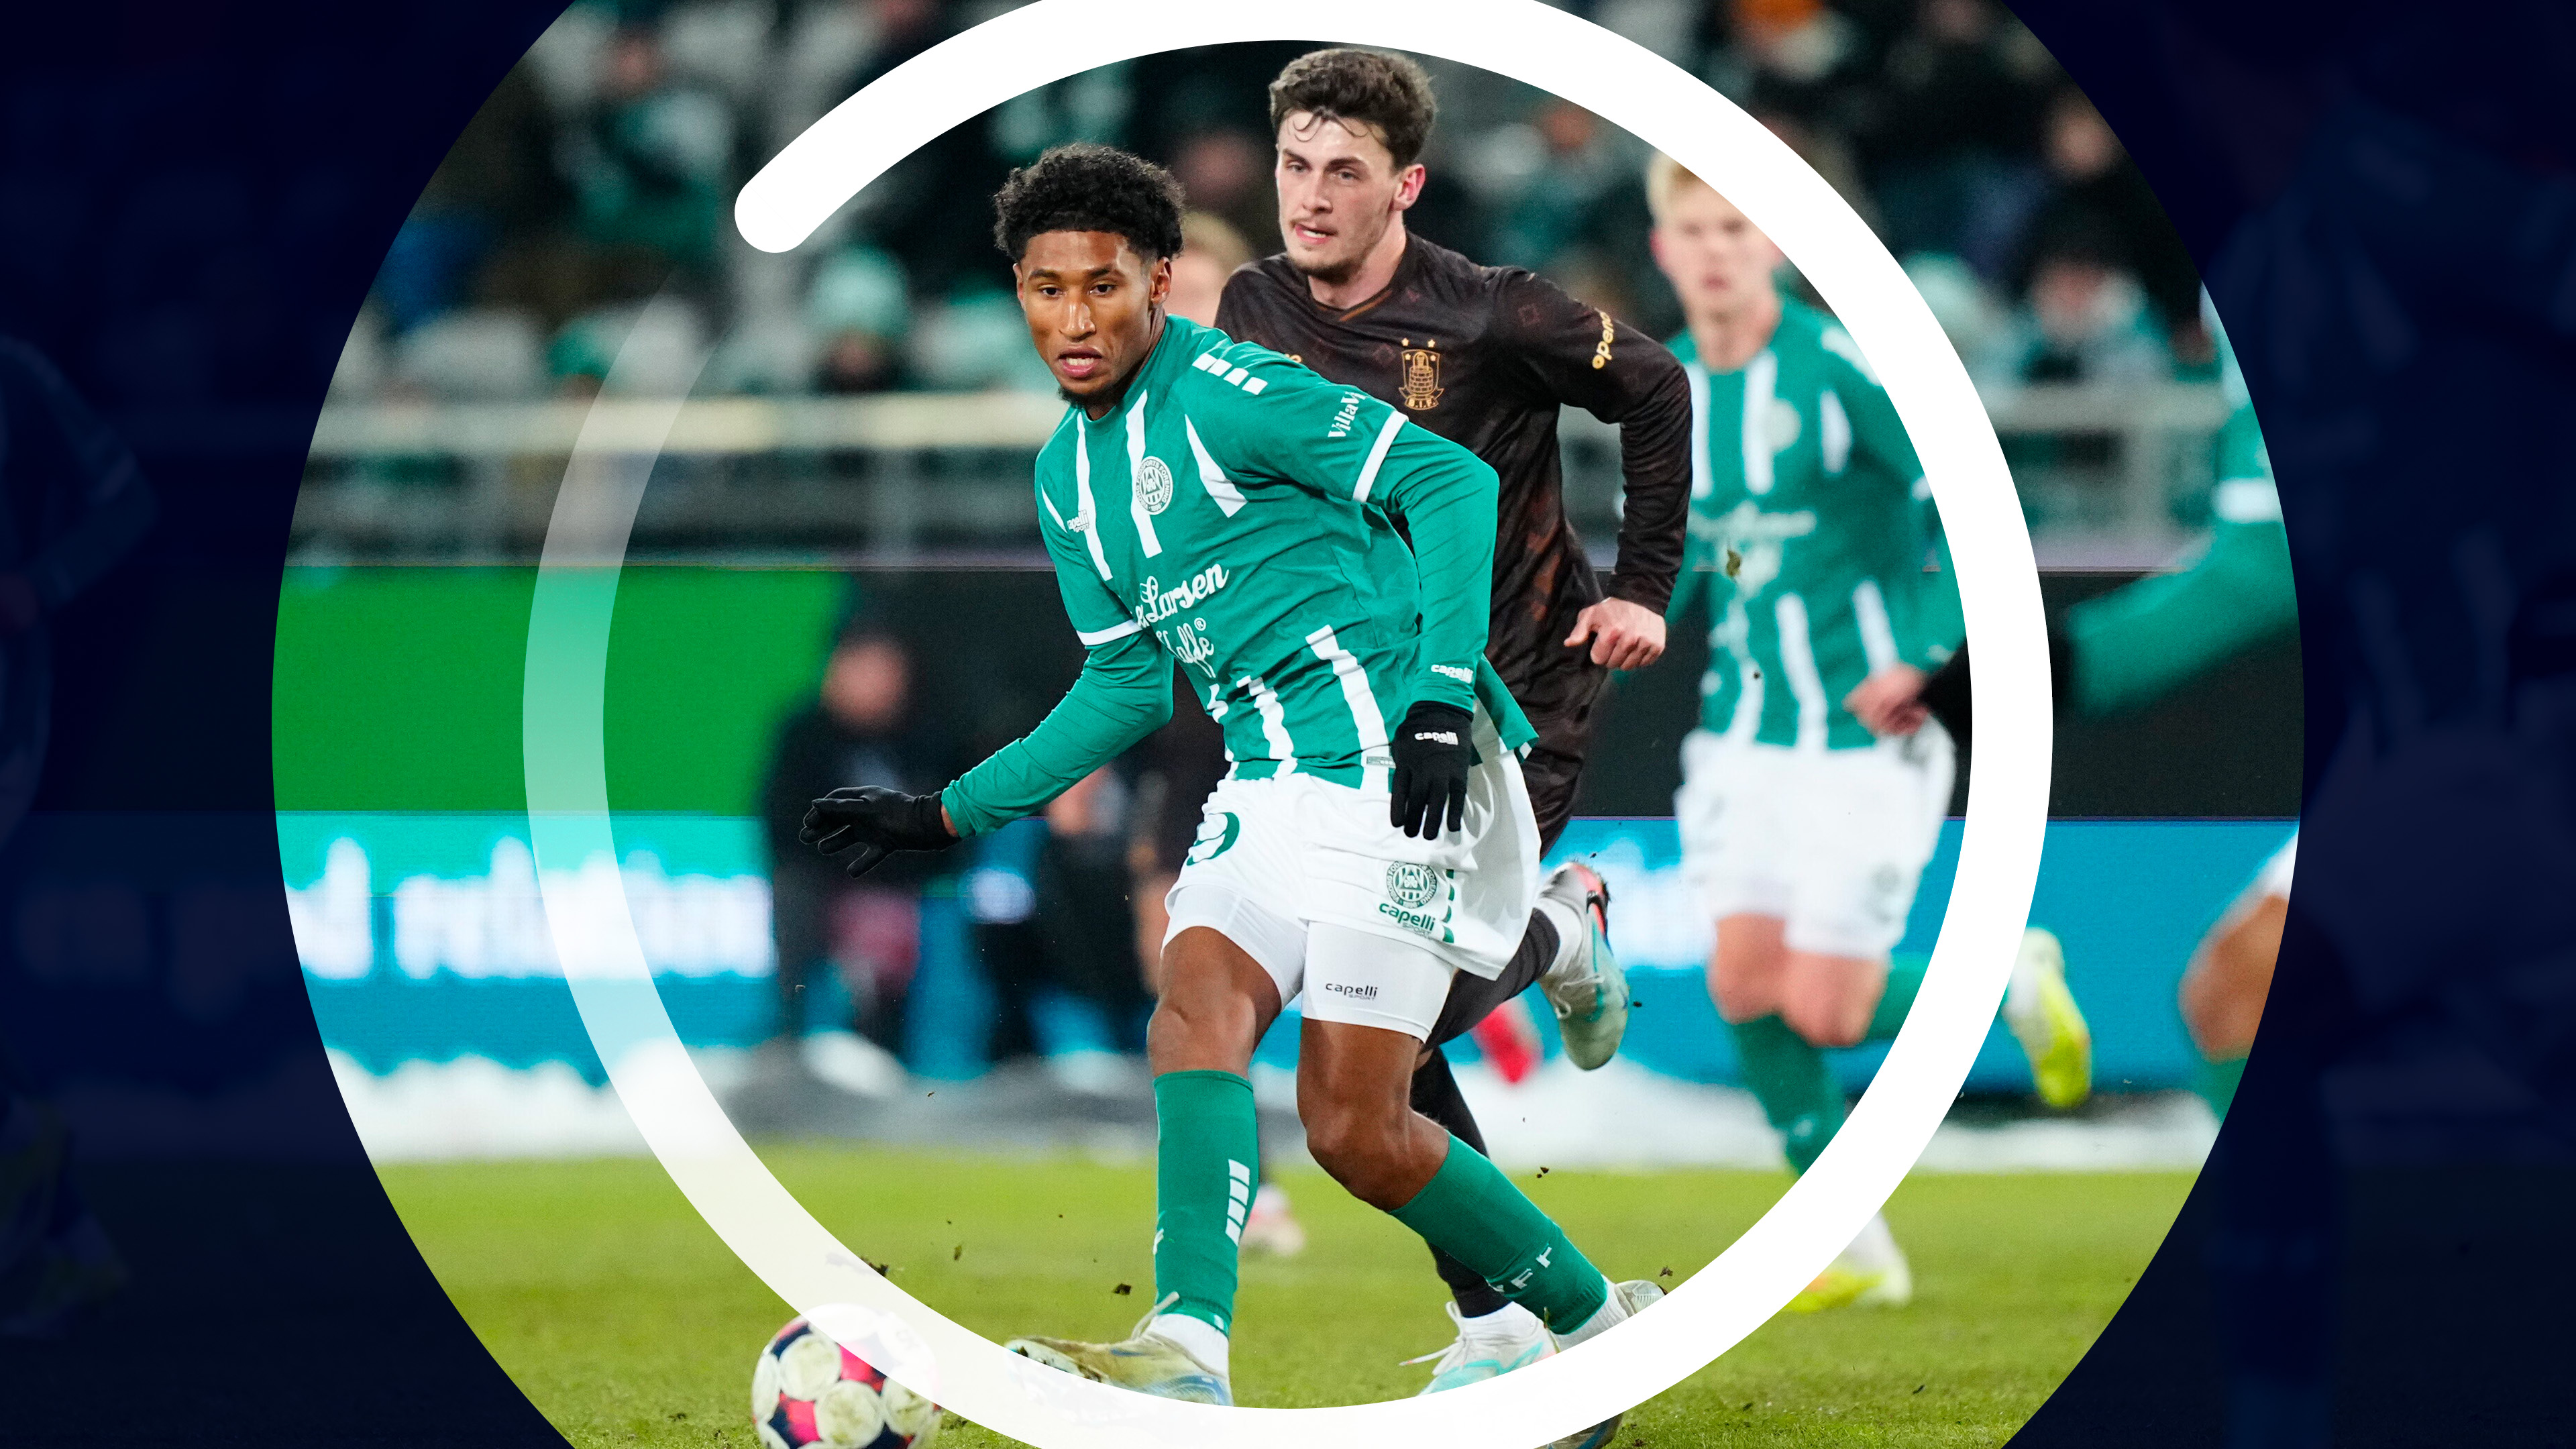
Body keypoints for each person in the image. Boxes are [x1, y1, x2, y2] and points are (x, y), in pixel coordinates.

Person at [797, 144, 1661, 1432]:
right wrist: (947, 812)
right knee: (1192, 1014)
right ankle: (1187, 1344)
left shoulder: (1233, 391)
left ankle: (1596, 1334)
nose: (1074, 319)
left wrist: (1438, 692)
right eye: (1045, 290)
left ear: (1159, 281)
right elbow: (1125, 687)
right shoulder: (1065, 475)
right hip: (1266, 779)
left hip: (1394, 760)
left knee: (1355, 1129)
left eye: (1102, 286)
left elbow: (1451, 477)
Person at [1212, 49, 1694, 1392]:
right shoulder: (1254, 306)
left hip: (1512, 694)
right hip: (1358, 708)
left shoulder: (1491, 314)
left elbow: (1656, 385)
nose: (1311, 196)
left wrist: (1644, 588)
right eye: (1295, 165)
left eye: (1343, 171)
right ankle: (1504, 1325)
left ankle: (1559, 931)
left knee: (1378, 1032)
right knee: (1373, 1031)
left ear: (1406, 185)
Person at [1646, 154, 2094, 1315]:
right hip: (1743, 729)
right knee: (1743, 982)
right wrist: (1617, 629)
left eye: (1736, 229)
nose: (1715, 250)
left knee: (1828, 1009)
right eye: (1695, 229)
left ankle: (2001, 977)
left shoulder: (1840, 369)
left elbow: (1971, 493)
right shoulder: (1672, 388)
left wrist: (1932, 651)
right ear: (1663, 248)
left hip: (1869, 734)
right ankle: (1847, 1243)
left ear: (1772, 246)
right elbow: (1692, 546)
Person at [758, 624, 957, 1057]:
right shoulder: (804, 736)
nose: (876, 683)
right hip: (824, 879)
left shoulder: (927, 740)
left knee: (888, 921)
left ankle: (881, 1049)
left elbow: (945, 830)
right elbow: (787, 825)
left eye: (886, 670)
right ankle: (791, 1032)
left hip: (897, 884)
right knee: (795, 893)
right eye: (863, 669)